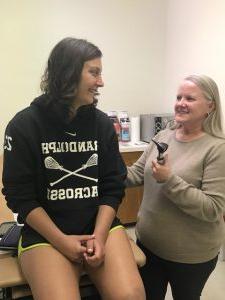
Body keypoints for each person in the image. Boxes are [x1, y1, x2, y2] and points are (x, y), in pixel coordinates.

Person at [2, 37, 145, 300]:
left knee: (131, 295)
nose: (101, 82)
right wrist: (60, 241)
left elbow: (113, 186)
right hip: (47, 233)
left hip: (99, 226)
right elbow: (19, 196)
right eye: (94, 72)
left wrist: (100, 236)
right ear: (68, 74)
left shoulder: (102, 125)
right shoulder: (23, 126)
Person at [127, 74, 225, 300]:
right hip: (148, 246)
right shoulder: (164, 135)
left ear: (210, 106)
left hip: (190, 257)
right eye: (179, 96)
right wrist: (104, 172)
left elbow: (212, 209)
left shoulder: (217, 149)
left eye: (189, 98)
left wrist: (169, 180)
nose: (180, 102)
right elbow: (136, 174)